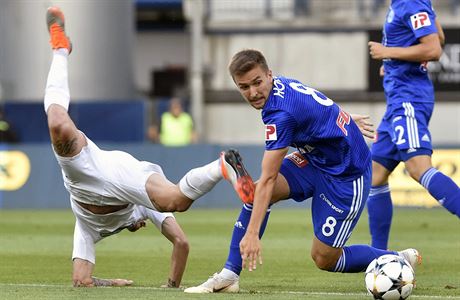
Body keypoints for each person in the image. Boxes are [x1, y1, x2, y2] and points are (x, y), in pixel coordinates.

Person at [44, 6, 253, 288]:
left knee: (57, 122)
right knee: (177, 202)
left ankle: (60, 48)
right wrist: (112, 283)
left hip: (110, 171)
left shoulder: (138, 210)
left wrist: (171, 287)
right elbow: (81, 282)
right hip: (84, 185)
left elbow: (181, 242)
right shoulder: (86, 228)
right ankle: (220, 166)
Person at [184, 49, 420, 293]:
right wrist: (344, 119)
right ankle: (230, 275)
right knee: (257, 194)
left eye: (257, 83)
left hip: (347, 174)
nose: (253, 92)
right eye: (244, 87)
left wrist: (252, 233)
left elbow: (270, 177)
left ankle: (394, 258)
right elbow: (314, 104)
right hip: (315, 159)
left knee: (324, 258)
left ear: (269, 75)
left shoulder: (280, 115)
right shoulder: (282, 86)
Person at [367, 0, 459, 250]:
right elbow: (438, 35)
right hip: (397, 100)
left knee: (418, 168)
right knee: (375, 174)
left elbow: (433, 49)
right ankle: (379, 255)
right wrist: (394, 63)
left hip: (408, 99)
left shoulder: (409, 2)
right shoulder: (407, 3)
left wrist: (388, 53)